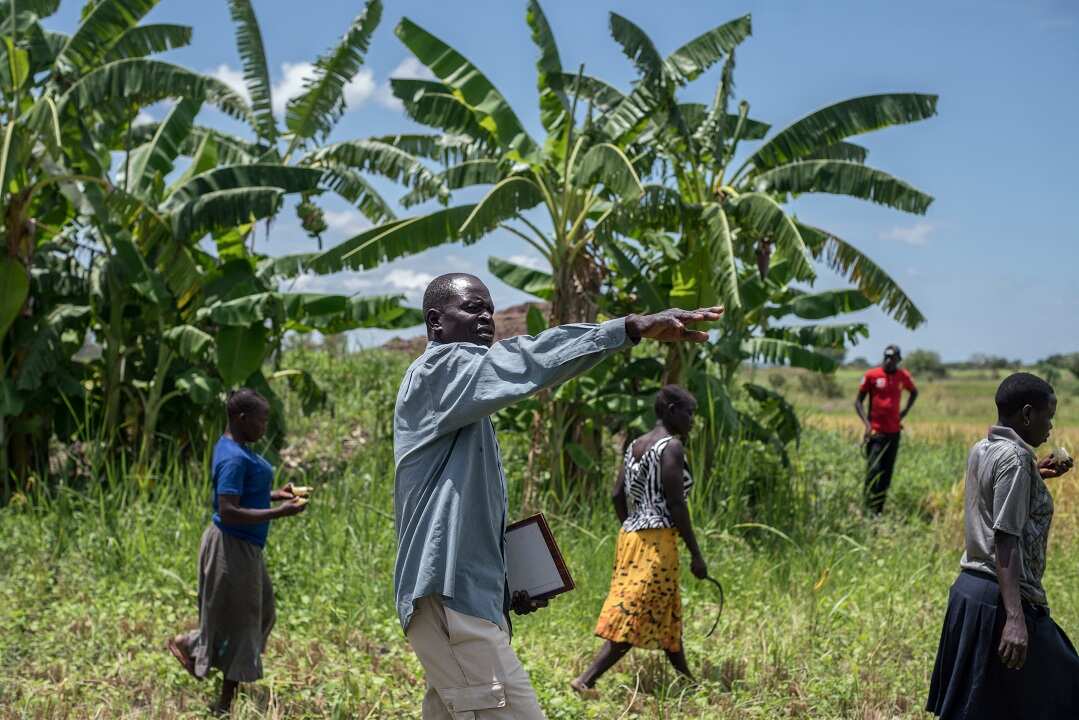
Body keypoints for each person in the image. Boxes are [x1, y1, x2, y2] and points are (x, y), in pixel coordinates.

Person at [393, 272, 723, 719]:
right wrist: (627, 328)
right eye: (472, 308)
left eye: (490, 308)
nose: (487, 317)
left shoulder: (461, 401)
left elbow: (457, 516)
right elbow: (524, 360)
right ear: (436, 322)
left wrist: (505, 585)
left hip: (463, 602)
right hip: (453, 607)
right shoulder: (440, 372)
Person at [926, 372, 1077, 719]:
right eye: (1047, 415)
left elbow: (993, 499)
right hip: (1001, 599)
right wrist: (1015, 619)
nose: (1051, 426)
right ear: (1026, 415)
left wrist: (1033, 477)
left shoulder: (983, 448)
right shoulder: (1015, 459)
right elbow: (1005, 538)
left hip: (971, 593)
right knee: (1066, 688)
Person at [166, 389, 308, 715]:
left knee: (262, 612)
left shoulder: (237, 448)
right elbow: (229, 510)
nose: (265, 426)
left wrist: (276, 495)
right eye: (262, 419)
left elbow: (245, 495)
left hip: (245, 548)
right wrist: (280, 512)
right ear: (241, 418)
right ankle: (224, 704)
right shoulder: (232, 457)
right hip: (231, 547)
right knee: (243, 623)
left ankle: (193, 644)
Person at [571, 385, 707, 696]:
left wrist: (633, 526)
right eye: (689, 413)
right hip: (658, 539)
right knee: (637, 610)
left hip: (630, 538)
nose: (692, 420)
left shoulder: (635, 444)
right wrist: (696, 554)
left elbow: (617, 495)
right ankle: (586, 679)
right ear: (672, 410)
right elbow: (676, 504)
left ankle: (689, 683)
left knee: (666, 610)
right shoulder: (670, 447)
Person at [854, 344, 918, 513]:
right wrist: (867, 426)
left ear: (898, 360)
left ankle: (878, 511)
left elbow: (914, 392)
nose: (890, 361)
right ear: (884, 357)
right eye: (887, 357)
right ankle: (867, 508)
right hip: (875, 433)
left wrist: (902, 414)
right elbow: (858, 402)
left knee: (886, 473)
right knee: (873, 471)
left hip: (894, 433)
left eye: (893, 358)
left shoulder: (903, 376)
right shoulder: (872, 375)